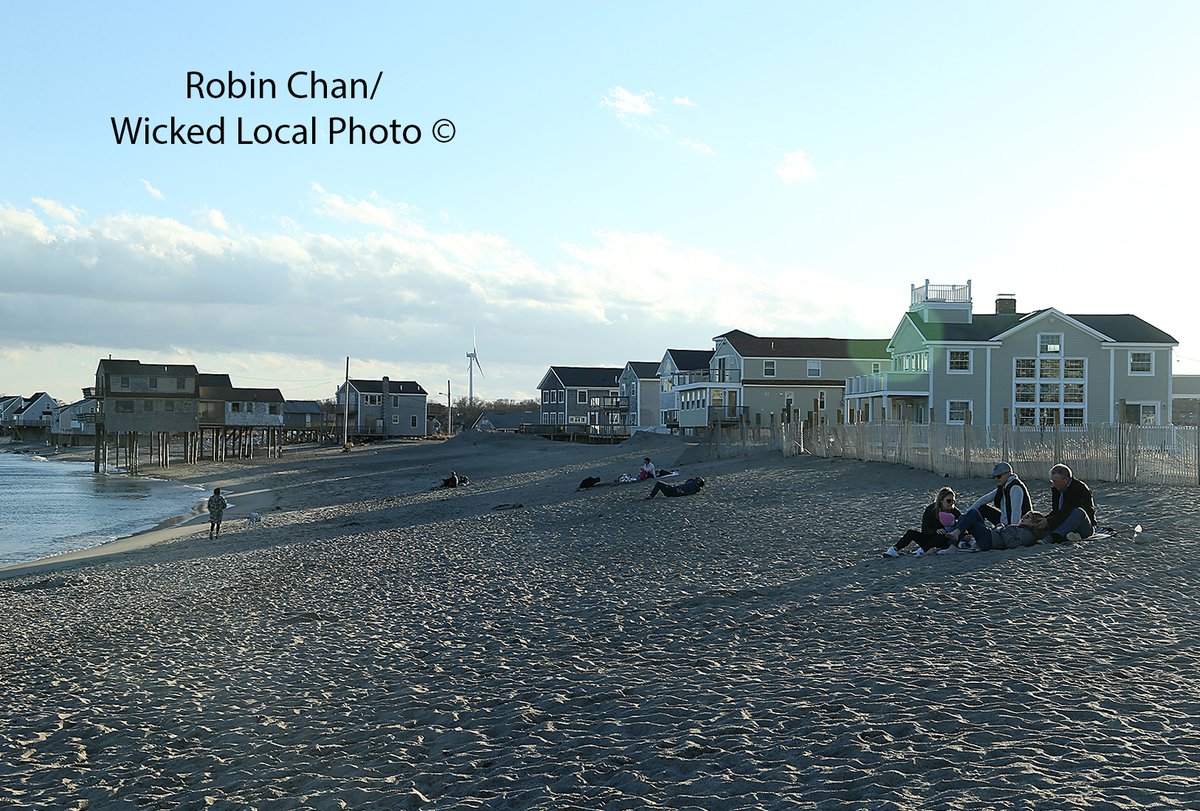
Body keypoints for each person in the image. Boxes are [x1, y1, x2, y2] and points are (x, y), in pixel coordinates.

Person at [954, 461, 1032, 552]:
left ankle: (976, 536)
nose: (996, 479)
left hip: (1016, 526)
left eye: (999, 476)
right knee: (981, 508)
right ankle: (976, 534)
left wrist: (1011, 531)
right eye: (995, 477)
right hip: (1005, 520)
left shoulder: (1015, 487)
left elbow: (1016, 511)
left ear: (1008, 474)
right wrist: (968, 512)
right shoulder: (1004, 486)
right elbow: (985, 499)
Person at [883, 487, 962, 557]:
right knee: (911, 533)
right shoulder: (931, 510)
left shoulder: (954, 511)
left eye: (953, 501)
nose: (951, 503)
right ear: (941, 500)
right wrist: (935, 530)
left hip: (943, 540)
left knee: (943, 535)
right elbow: (925, 529)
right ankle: (894, 549)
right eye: (949, 501)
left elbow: (961, 525)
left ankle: (922, 550)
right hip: (929, 538)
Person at [1036, 463, 1097, 542]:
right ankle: (1070, 536)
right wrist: (1045, 519)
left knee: (1079, 512)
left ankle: (1055, 536)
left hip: (1083, 525)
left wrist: (1049, 521)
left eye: (1056, 481)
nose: (1054, 484)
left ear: (1066, 479)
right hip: (1065, 523)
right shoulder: (1056, 488)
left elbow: (1067, 511)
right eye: (1052, 481)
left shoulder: (1079, 489)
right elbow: (1056, 511)